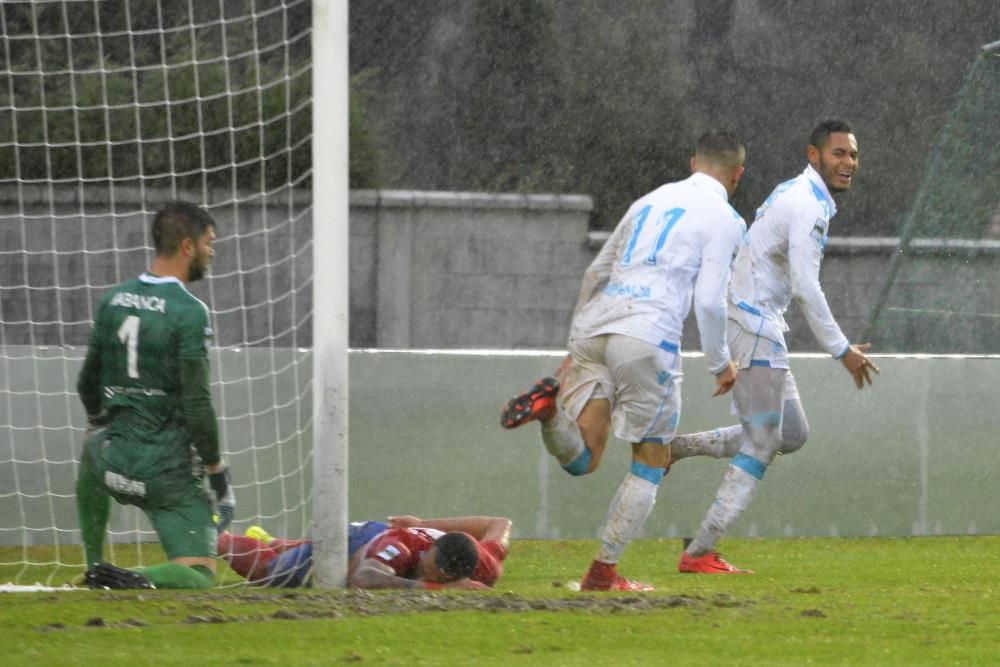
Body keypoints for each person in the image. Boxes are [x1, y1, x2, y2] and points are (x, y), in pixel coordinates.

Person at [501, 131, 748, 591]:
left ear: (693, 163)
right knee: (651, 458)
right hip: (647, 335)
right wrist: (720, 363)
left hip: (595, 325)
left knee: (585, 459)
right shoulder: (728, 219)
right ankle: (602, 574)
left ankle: (550, 413)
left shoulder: (649, 199)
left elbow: (595, 271)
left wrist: (574, 345)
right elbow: (710, 302)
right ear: (738, 174)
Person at [671, 118, 879, 574]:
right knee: (764, 441)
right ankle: (699, 552)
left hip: (755, 321)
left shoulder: (802, 195)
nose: (849, 163)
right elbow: (806, 285)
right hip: (753, 323)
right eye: (839, 154)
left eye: (854, 155)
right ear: (814, 155)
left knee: (791, 434)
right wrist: (842, 349)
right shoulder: (808, 206)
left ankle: (676, 448)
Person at [75, 201, 234, 590]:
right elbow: (197, 406)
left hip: (112, 466)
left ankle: (94, 565)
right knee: (198, 575)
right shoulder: (189, 311)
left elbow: (86, 382)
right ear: (186, 246)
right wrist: (217, 473)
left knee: (91, 449)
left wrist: (99, 424)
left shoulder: (113, 300)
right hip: (165, 477)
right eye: (209, 242)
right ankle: (133, 579)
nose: (212, 252)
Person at [218, 515, 512, 590]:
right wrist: (432, 586)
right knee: (271, 572)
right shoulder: (402, 548)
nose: (422, 569)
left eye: (433, 574)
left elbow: (500, 523)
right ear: (432, 549)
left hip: (384, 540)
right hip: (360, 541)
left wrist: (424, 524)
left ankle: (272, 540)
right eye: (425, 564)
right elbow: (362, 578)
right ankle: (216, 536)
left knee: (294, 553)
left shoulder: (487, 566)